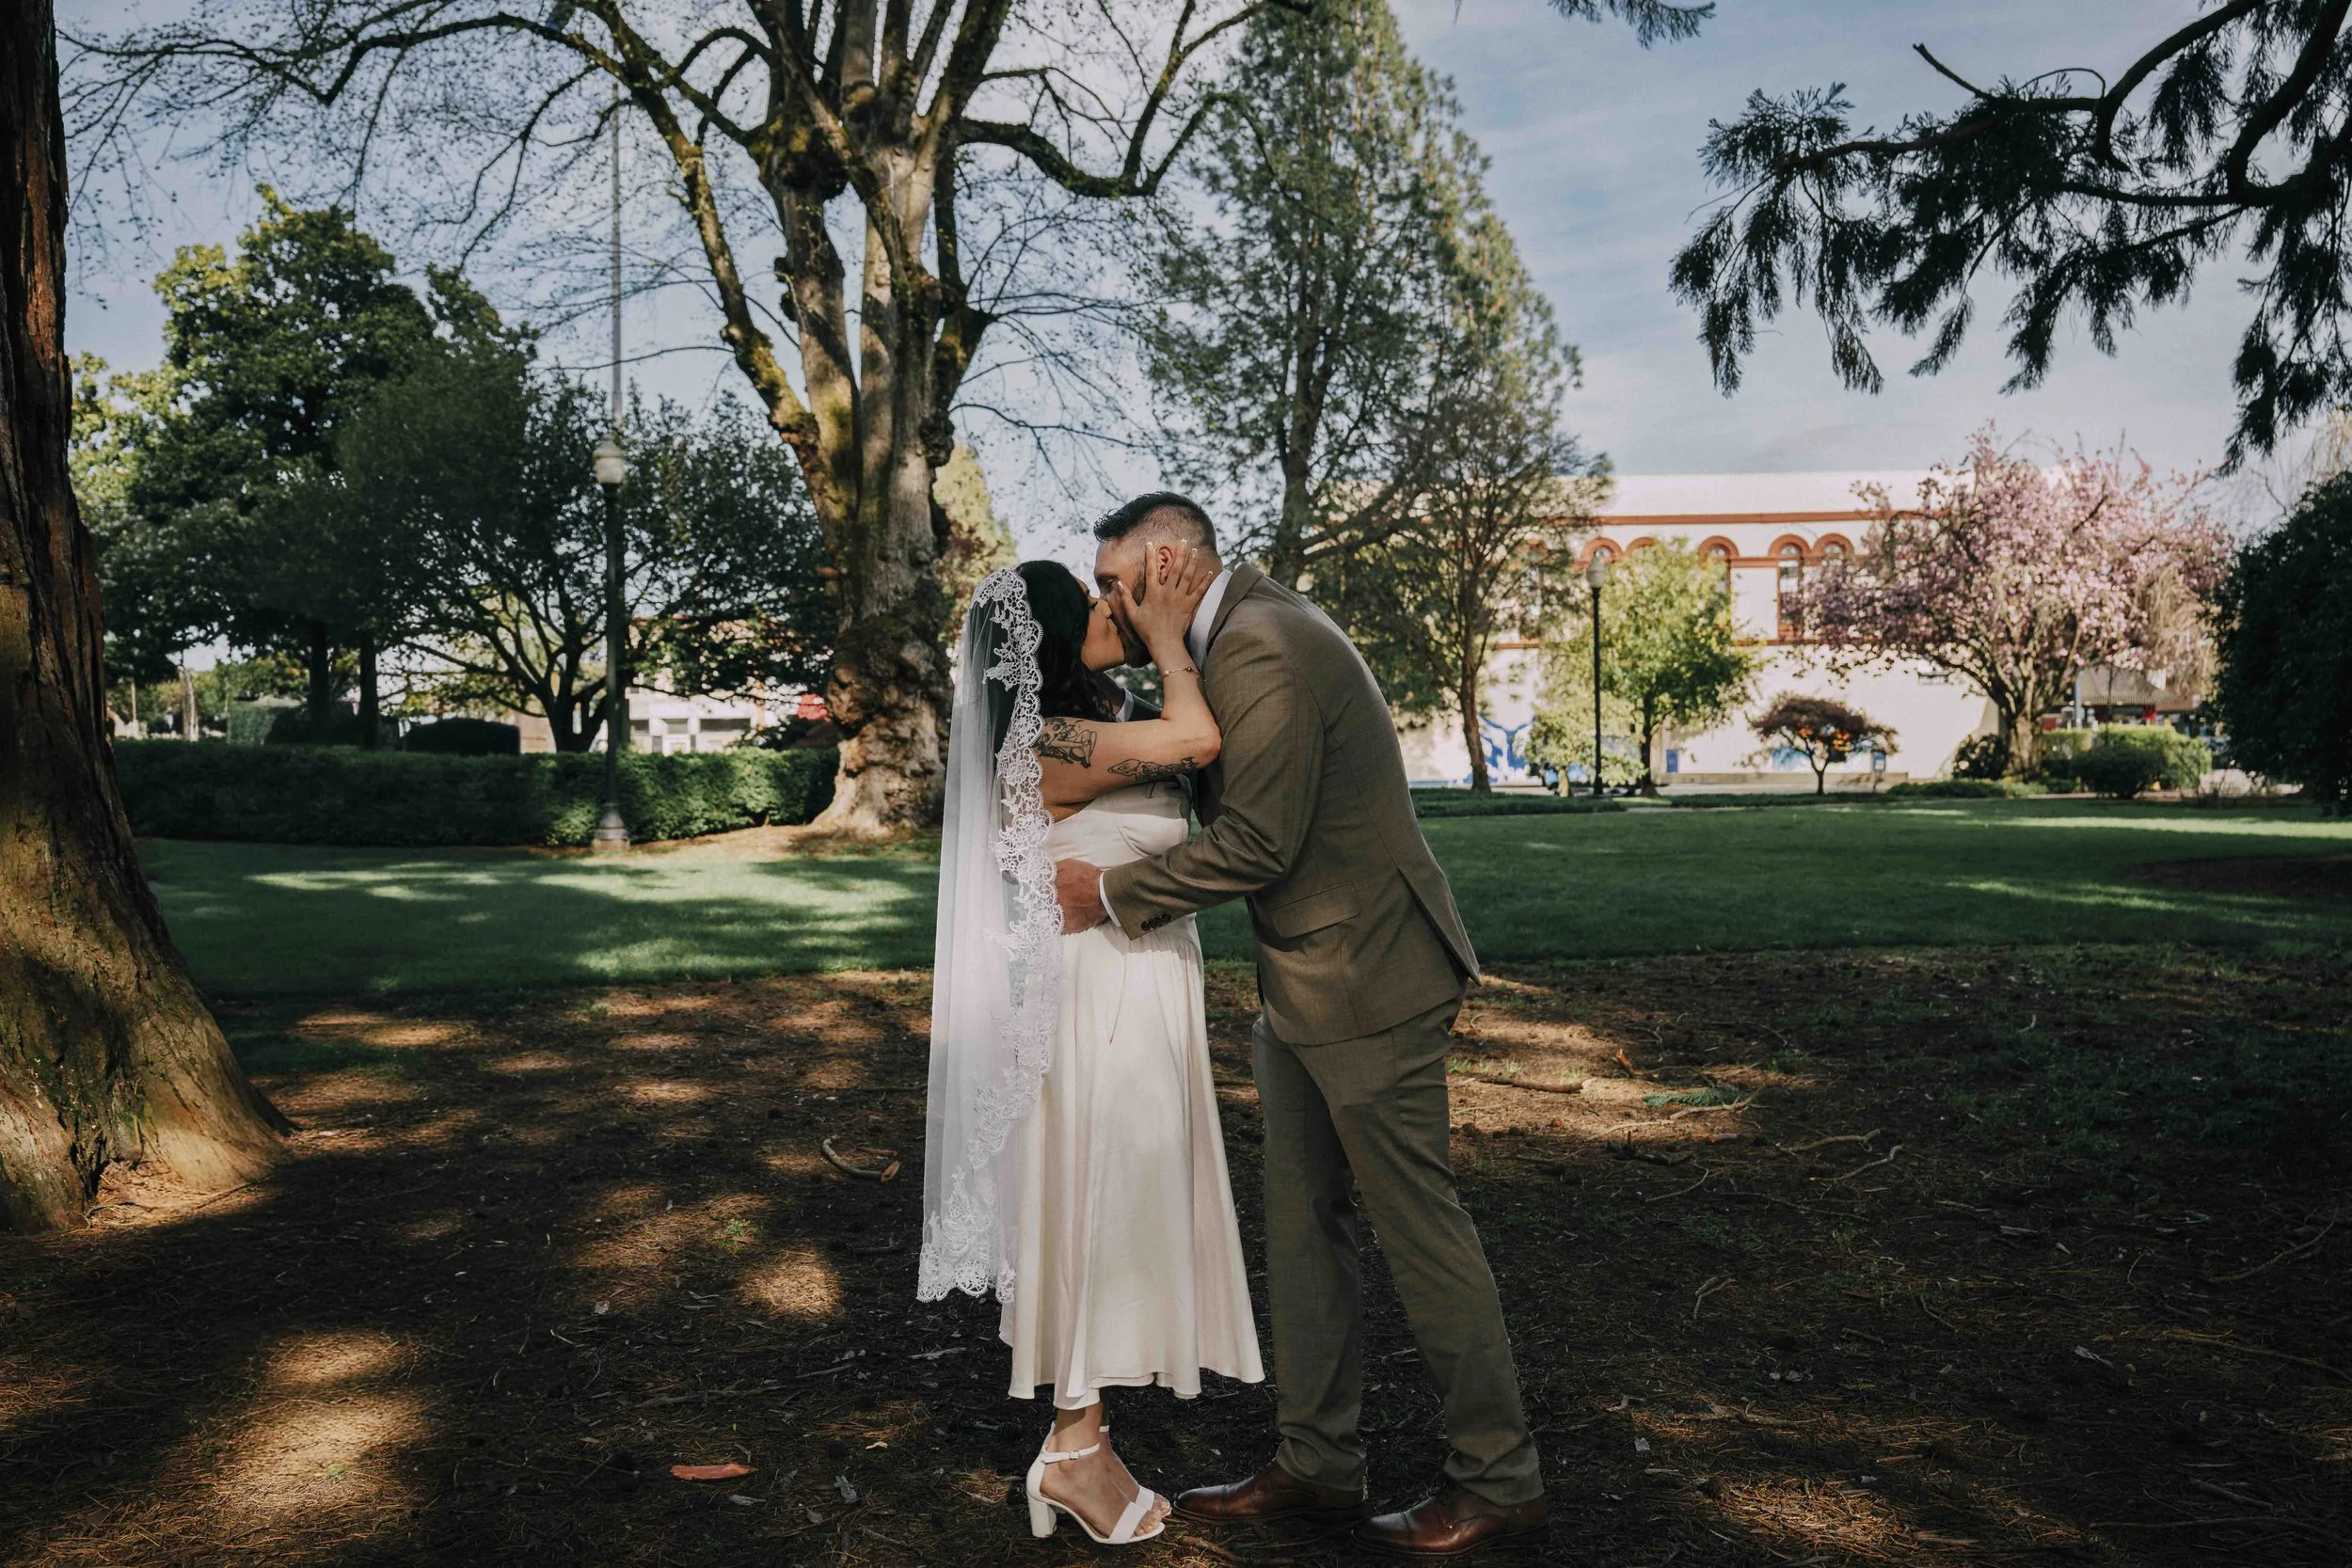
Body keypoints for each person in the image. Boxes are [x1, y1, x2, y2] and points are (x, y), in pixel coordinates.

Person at [1054, 495, 1547, 1560]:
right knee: (1302, 1221)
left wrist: (1113, 891)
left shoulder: (1263, 646)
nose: (1105, 601)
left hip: (1372, 975)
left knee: (1419, 1229)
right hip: (1310, 978)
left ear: (1168, 563)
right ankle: (1318, 1459)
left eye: (1111, 581)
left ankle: (1499, 1476)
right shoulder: (1231, 633)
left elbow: (1260, 843)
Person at [918, 551, 1262, 1548]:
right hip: (1101, 999)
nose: (1114, 604)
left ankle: (1086, 1440)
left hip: (1134, 985)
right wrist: (1165, 637)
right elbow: (1198, 739)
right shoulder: (1051, 742)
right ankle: (1072, 1447)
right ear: (1059, 634)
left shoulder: (1081, 730)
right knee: (1099, 1214)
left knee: (1116, 1211)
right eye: (1097, 599)